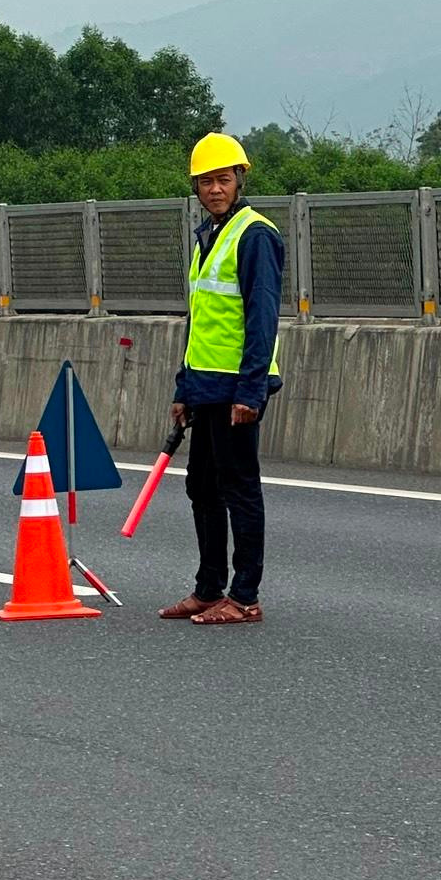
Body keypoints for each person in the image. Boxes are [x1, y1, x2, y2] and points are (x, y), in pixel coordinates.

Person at [159, 133, 283, 627]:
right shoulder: (207, 236)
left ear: (240, 180)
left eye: (223, 180)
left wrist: (251, 391)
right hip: (206, 385)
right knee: (202, 488)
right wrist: (184, 387)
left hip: (238, 388)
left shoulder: (255, 235)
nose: (215, 189)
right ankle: (209, 589)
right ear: (196, 187)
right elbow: (201, 321)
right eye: (206, 181)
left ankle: (245, 596)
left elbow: (262, 319)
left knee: (239, 489)